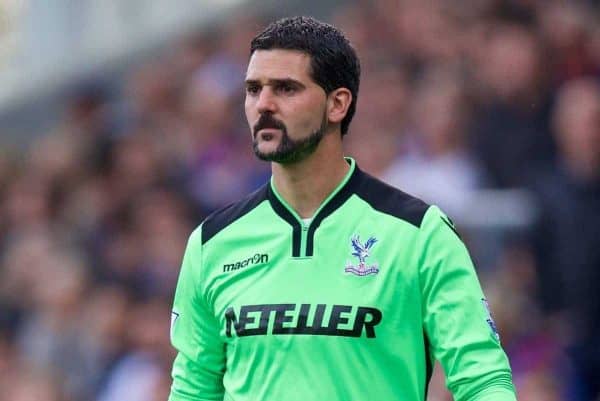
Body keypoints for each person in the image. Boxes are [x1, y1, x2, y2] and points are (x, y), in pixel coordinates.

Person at [168, 16, 517, 401]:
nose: (263, 104)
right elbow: (193, 389)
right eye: (253, 89)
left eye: (285, 88)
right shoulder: (212, 244)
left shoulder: (419, 233)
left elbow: (482, 378)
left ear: (337, 103)